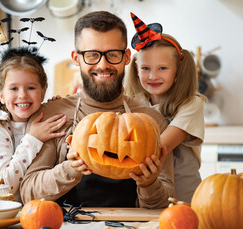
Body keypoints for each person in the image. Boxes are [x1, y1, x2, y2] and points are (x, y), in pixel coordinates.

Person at [20, 11, 175, 208]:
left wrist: (149, 183)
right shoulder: (50, 116)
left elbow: (166, 204)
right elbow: (28, 194)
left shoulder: (151, 121)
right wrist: (70, 169)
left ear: (127, 57)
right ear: (76, 58)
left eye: (113, 54)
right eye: (92, 55)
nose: (103, 65)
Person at [124, 13, 206, 203]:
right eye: (145, 68)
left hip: (183, 200)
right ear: (136, 69)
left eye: (162, 68)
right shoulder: (132, 103)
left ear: (178, 69)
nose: (153, 76)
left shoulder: (191, 104)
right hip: (145, 200)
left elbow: (157, 148)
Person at [0, 47, 67, 201]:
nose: (22, 95)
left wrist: (58, 109)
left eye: (31, 88)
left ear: (43, 92)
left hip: (38, 210)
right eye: (14, 88)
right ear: (1, 95)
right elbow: (6, 183)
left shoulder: (48, 123)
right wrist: (33, 138)